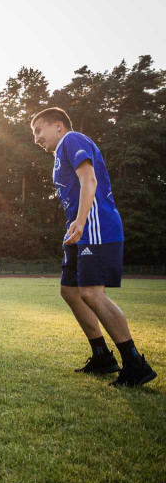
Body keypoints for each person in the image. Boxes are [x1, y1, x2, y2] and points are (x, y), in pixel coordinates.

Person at [31, 107, 156, 386]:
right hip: (78, 230)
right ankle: (102, 356)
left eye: (39, 130)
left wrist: (81, 221)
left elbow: (90, 179)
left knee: (91, 293)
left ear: (59, 126)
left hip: (94, 226)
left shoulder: (72, 140)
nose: (36, 138)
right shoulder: (59, 155)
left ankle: (135, 362)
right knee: (70, 291)